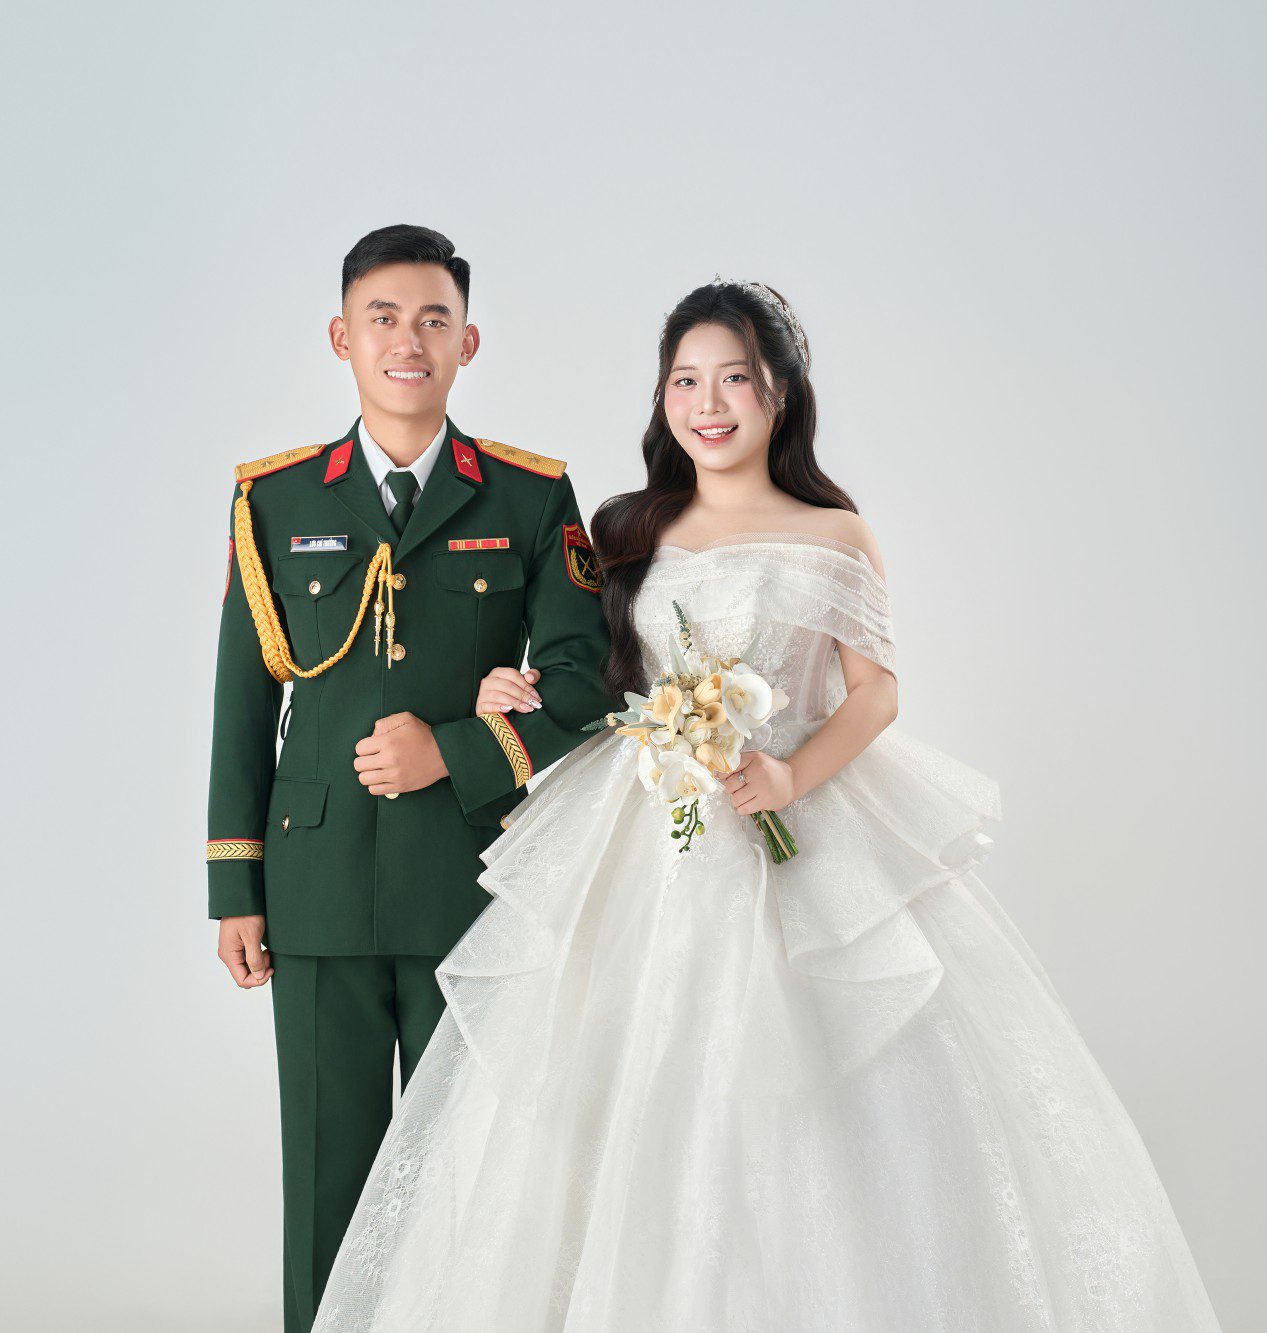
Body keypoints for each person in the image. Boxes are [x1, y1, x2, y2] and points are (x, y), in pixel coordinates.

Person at [311, 278, 1223, 1331]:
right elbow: (591, 679)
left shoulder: (834, 533)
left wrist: (790, 777)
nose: (707, 404)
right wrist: (504, 689)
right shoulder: (625, 528)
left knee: (822, 1084)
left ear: (778, 393)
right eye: (684, 381)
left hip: (795, 812)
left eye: (733, 379)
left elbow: (875, 692)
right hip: (645, 821)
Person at [205, 224, 614, 1333]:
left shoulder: (529, 496)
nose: (408, 341)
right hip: (316, 886)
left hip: (468, 883)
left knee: (465, 1184)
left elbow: (585, 679)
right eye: (382, 317)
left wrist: (456, 748)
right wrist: (235, 886)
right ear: (341, 338)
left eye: (434, 319)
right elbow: (242, 707)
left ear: (467, 342)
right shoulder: (276, 500)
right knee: (327, 1186)